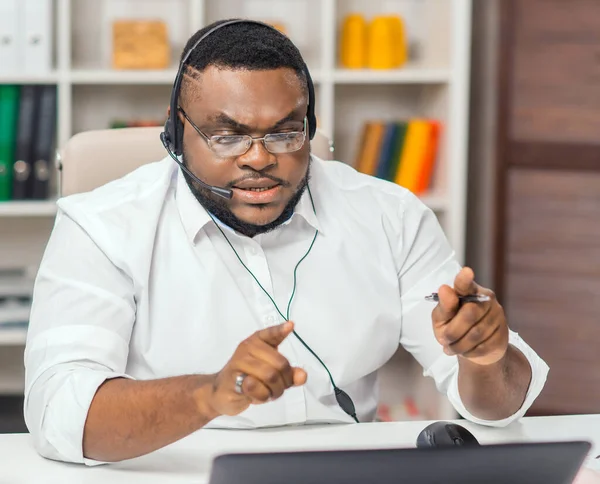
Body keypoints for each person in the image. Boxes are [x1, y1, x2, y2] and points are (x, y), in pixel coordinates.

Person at [24, 19, 548, 465]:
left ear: (309, 127)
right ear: (174, 134)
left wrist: (485, 358)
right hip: (170, 471)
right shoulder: (101, 225)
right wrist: (209, 394)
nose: (258, 158)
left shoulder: (389, 215)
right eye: (226, 135)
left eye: (284, 132)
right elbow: (59, 411)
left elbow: (497, 405)